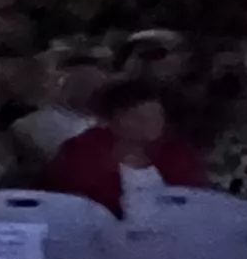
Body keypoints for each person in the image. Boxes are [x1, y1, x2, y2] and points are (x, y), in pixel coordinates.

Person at [43, 77, 207, 210]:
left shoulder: (177, 152)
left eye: (158, 117)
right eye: (142, 118)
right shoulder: (80, 152)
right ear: (116, 119)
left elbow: (195, 196)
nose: (154, 124)